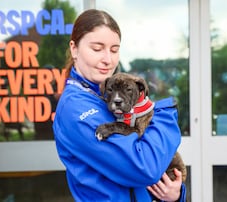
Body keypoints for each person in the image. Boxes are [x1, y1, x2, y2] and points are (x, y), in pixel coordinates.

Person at [53, 9, 186, 202]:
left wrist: (174, 195)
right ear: (74, 49)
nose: (108, 60)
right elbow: (144, 167)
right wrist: (164, 114)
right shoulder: (76, 108)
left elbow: (147, 169)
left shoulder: (103, 93)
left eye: (114, 50)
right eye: (97, 49)